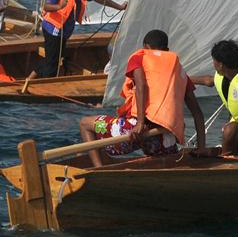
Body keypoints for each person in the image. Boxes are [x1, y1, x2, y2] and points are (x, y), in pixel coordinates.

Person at [79, 29, 206, 168]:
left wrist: (140, 123)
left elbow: (141, 85)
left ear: (145, 47)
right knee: (167, 159)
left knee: (85, 124)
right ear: (167, 50)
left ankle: (98, 170)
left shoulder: (139, 57)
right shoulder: (179, 71)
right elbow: (198, 114)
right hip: (164, 137)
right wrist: (201, 148)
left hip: (134, 131)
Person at [26, 0, 127, 83]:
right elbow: (46, 6)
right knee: (52, 64)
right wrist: (59, 6)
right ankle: (42, 85)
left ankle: (29, 79)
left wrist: (119, 7)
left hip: (64, 31)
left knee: (54, 59)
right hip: (53, 29)